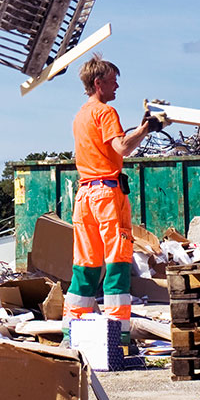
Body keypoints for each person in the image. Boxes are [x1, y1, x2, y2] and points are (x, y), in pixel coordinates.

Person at [66, 56, 164, 319]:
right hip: (107, 195)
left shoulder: (80, 116)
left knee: (85, 263)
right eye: (112, 82)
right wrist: (146, 129)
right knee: (117, 260)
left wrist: (141, 128)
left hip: (84, 195)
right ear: (98, 83)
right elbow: (122, 147)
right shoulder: (105, 112)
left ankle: (72, 327)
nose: (117, 87)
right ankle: (117, 334)